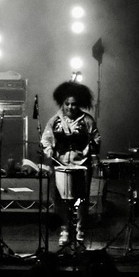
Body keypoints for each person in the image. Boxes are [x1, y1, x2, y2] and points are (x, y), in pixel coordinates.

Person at [40, 80, 101, 247]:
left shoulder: (87, 120)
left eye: (73, 104)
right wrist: (49, 150)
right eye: (67, 104)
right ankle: (65, 228)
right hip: (59, 165)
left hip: (80, 166)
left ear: (78, 104)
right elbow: (45, 139)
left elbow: (97, 139)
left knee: (81, 199)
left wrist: (89, 147)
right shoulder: (55, 120)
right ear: (63, 103)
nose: (70, 108)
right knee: (59, 199)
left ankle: (80, 227)